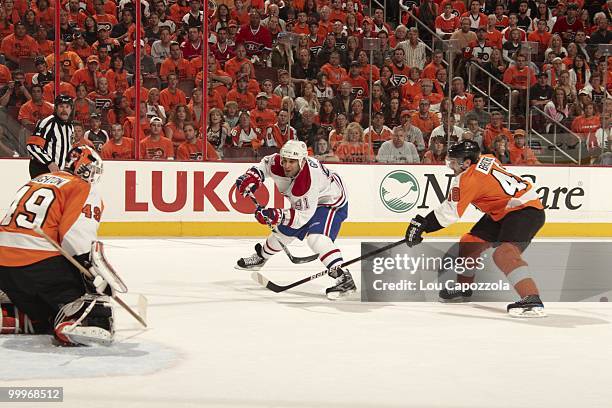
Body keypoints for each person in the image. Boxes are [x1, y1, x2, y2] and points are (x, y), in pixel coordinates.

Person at [405, 140, 546, 317]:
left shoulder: (466, 179)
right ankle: (464, 288)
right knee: (469, 242)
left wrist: (422, 226)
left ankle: (532, 299)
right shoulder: (488, 158)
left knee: (504, 254)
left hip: (525, 211)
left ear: (467, 163)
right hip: (503, 210)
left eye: (454, 162)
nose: (451, 166)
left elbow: (450, 213)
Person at [0, 145, 115, 346]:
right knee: (95, 304)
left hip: (3, 267)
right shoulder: (81, 186)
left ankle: (16, 315)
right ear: (86, 168)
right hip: (36, 263)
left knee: (46, 311)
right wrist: (92, 275)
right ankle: (76, 320)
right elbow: (75, 237)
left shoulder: (36, 180)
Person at [234, 140, 355, 300]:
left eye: (292, 162)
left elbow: (301, 218)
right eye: (285, 160)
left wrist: (277, 215)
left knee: (316, 238)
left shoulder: (306, 181)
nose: (287, 165)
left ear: (302, 161)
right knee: (284, 231)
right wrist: (253, 176)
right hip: (308, 202)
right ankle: (261, 258)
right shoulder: (278, 163)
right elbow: (265, 164)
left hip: (330, 201)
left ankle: (343, 276)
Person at [26, 95, 75, 178]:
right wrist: (49, 163)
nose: (64, 110)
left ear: (71, 109)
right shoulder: (48, 123)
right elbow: (32, 146)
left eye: (67, 107)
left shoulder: (70, 127)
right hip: (42, 169)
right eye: (61, 106)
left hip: (59, 173)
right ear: (56, 108)